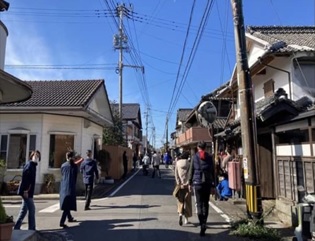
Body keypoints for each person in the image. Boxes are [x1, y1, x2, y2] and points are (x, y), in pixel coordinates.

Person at [188, 141, 214, 237]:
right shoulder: (210, 157)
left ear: (198, 148)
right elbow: (212, 171)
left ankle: (202, 223)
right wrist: (213, 185)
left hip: (197, 183)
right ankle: (204, 222)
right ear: (205, 148)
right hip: (207, 183)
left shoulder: (195, 157)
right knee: (205, 204)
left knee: (199, 204)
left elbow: (191, 170)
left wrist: (189, 182)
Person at [14, 150, 41, 230]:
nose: (36, 157)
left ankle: (16, 227)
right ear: (31, 156)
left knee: (24, 210)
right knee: (31, 210)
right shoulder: (29, 165)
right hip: (26, 191)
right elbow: (25, 179)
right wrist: (25, 190)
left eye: (38, 156)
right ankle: (32, 229)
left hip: (28, 191)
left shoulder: (32, 165)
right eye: (35, 156)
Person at [59, 151, 78, 228]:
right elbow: (75, 177)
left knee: (66, 202)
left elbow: (62, 174)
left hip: (63, 186)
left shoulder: (63, 165)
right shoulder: (74, 166)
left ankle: (69, 217)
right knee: (67, 205)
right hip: (70, 186)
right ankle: (62, 221)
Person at [174, 151, 192, 226]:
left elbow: (176, 174)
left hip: (180, 185)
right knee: (187, 201)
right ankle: (186, 219)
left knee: (180, 201)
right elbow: (190, 173)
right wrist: (188, 182)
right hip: (187, 185)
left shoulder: (177, 163)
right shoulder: (189, 163)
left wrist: (178, 182)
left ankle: (180, 214)